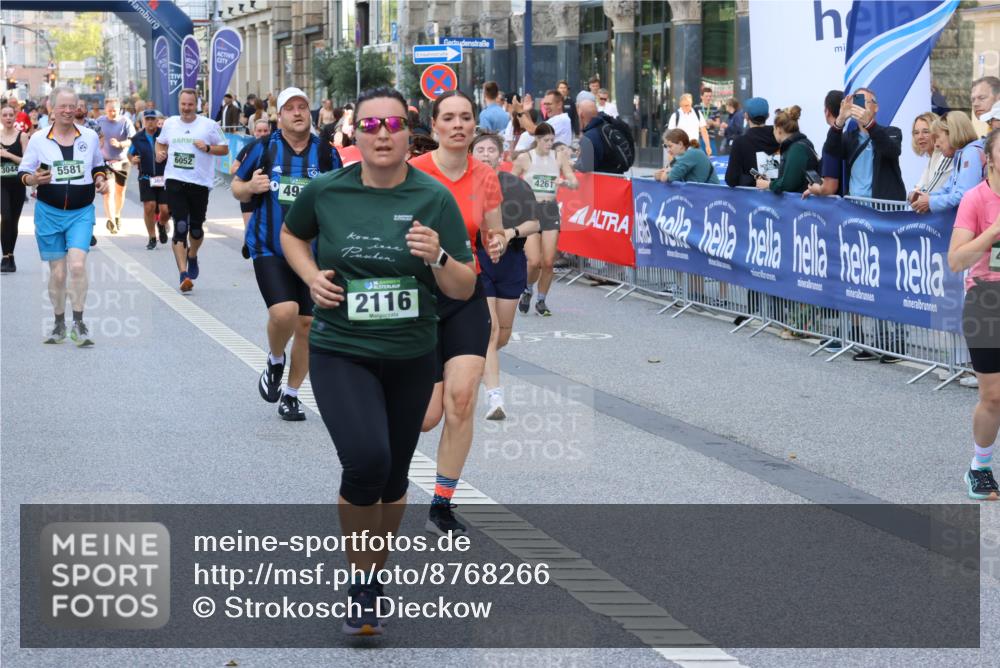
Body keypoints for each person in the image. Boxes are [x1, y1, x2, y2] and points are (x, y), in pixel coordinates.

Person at [281, 86, 476, 635]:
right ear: (355, 134)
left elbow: (463, 285)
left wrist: (438, 255)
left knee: (392, 479)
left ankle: (372, 576)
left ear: (409, 132)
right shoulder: (326, 191)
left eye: (393, 125)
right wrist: (310, 276)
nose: (382, 135)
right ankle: (361, 581)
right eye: (370, 126)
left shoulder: (434, 198)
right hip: (342, 349)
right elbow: (292, 235)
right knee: (366, 462)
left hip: (411, 354)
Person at [410, 90, 506, 534]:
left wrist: (498, 242)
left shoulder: (485, 175)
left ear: (474, 125)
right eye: (448, 118)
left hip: (465, 291)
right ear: (434, 126)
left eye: (465, 117)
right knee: (426, 417)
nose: (458, 125)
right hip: (418, 298)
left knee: (462, 399)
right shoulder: (413, 173)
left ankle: (441, 504)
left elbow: (492, 231)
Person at [232, 87, 343, 422]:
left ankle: (292, 395)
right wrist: (250, 187)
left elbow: (341, 197)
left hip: (313, 254)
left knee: (308, 324)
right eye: (290, 108)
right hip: (270, 246)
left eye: (303, 107)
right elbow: (237, 186)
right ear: (279, 116)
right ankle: (276, 359)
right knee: (285, 312)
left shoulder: (326, 154)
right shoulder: (264, 148)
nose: (297, 112)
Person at [18, 87, 109, 346]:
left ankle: (79, 323)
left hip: (81, 212)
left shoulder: (89, 136)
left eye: (72, 106)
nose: (68, 111)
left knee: (77, 265)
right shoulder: (39, 139)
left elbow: (98, 165)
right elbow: (23, 172)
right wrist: (33, 179)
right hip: (49, 213)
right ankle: (59, 323)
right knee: (58, 274)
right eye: (63, 106)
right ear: (52, 109)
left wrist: (100, 179)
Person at [471, 132, 541, 419]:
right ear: (471, 154)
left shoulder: (516, 185)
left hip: (511, 261)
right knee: (489, 330)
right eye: (480, 150)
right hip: (479, 259)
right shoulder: (463, 185)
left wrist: (510, 233)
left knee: (502, 335)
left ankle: (476, 366)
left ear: (501, 156)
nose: (486, 154)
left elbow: (535, 223)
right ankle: (495, 399)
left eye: (491, 150)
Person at [948, 128, 1000, 501]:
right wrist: (993, 232)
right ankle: (980, 467)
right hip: (987, 300)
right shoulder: (976, 199)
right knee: (994, 396)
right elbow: (956, 260)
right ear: (989, 159)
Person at [155, 88, 228, 292]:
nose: (186, 108)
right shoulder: (170, 123)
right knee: (180, 226)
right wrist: (159, 154)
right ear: (178, 104)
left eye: (190, 104)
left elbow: (224, 148)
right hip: (175, 180)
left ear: (196, 104)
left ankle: (192, 255)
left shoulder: (209, 125)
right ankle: (183, 274)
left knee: (196, 229)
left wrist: (207, 148)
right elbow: (160, 144)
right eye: (183, 104)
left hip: (200, 183)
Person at [512, 121, 578, 316]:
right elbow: (510, 182)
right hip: (530, 211)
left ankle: (541, 301)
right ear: (537, 140)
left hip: (549, 210)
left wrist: (564, 182)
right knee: (534, 261)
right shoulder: (525, 158)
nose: (550, 144)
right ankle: (527, 290)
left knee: (548, 261)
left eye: (552, 140)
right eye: (546, 140)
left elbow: (574, 182)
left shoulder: (559, 157)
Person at [825, 87, 906, 201]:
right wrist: (840, 119)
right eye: (857, 102)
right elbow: (831, 150)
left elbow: (892, 151)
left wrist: (869, 124)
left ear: (876, 107)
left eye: (865, 102)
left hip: (881, 206)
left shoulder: (892, 132)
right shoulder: (849, 137)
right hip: (854, 205)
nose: (861, 107)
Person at [912, 111, 986, 214]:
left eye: (937, 137)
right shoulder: (961, 154)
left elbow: (964, 196)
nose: (936, 144)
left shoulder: (970, 153)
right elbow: (947, 189)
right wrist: (926, 198)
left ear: (952, 133)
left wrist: (930, 201)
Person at [128, 109, 171, 250]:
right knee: (149, 206)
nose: (150, 122)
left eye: (153, 119)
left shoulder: (164, 135)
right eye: (148, 119)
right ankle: (152, 237)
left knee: (165, 209)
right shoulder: (137, 138)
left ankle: (161, 224)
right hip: (146, 177)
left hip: (164, 177)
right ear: (143, 121)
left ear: (157, 121)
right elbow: (130, 154)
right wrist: (133, 159)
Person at [231, 118, 272, 258]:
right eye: (259, 131)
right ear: (253, 132)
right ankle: (248, 244)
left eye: (265, 130)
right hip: (248, 190)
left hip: (266, 191)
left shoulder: (276, 147)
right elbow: (233, 168)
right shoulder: (249, 148)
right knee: (249, 226)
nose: (262, 134)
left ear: (270, 131)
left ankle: (262, 252)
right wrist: (247, 171)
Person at [754, 106, 818, 194]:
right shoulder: (799, 145)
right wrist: (772, 183)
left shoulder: (797, 149)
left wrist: (769, 184)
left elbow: (789, 184)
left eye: (774, 128)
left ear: (778, 129)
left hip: (800, 201)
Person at [96, 97, 134, 235]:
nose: (112, 113)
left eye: (114, 110)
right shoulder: (99, 121)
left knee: (120, 191)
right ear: (105, 110)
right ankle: (111, 220)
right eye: (109, 110)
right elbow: (92, 136)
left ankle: (117, 214)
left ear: (119, 109)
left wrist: (120, 144)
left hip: (122, 161)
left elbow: (132, 140)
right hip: (106, 162)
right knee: (108, 191)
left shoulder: (125, 121)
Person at [725, 96, 779, 188]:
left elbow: (731, 179)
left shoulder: (740, 142)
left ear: (746, 116)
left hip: (752, 195)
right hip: (780, 194)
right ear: (768, 115)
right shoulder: (780, 138)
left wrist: (751, 180)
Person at [1, 105, 29, 272]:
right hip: (1, 184)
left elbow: (27, 161)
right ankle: (5, 257)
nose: (8, 118)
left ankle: (11, 256)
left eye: (11, 115)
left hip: (18, 184)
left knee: (13, 221)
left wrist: (9, 155)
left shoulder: (22, 136)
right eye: (5, 115)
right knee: (5, 217)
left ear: (15, 116)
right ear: (1, 117)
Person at [804, 91, 846, 199]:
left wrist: (815, 189)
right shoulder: (852, 134)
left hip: (839, 205)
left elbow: (829, 189)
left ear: (827, 111)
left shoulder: (832, 139)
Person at [909, 112, 953, 200]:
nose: (920, 137)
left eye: (926, 132)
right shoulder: (932, 157)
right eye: (916, 133)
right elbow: (915, 190)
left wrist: (915, 194)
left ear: (936, 133)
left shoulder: (945, 156)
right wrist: (914, 194)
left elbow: (931, 192)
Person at [667, 93, 712, 158]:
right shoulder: (675, 116)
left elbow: (704, 131)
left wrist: (708, 146)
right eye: (685, 105)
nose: (687, 107)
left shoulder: (697, 113)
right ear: (680, 105)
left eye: (689, 105)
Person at [695, 86, 721, 154]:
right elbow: (693, 124)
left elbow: (718, 125)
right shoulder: (696, 108)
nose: (708, 98)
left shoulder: (715, 108)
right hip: (699, 139)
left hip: (711, 138)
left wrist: (712, 122)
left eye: (710, 96)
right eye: (706, 96)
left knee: (713, 158)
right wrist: (702, 126)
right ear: (701, 97)